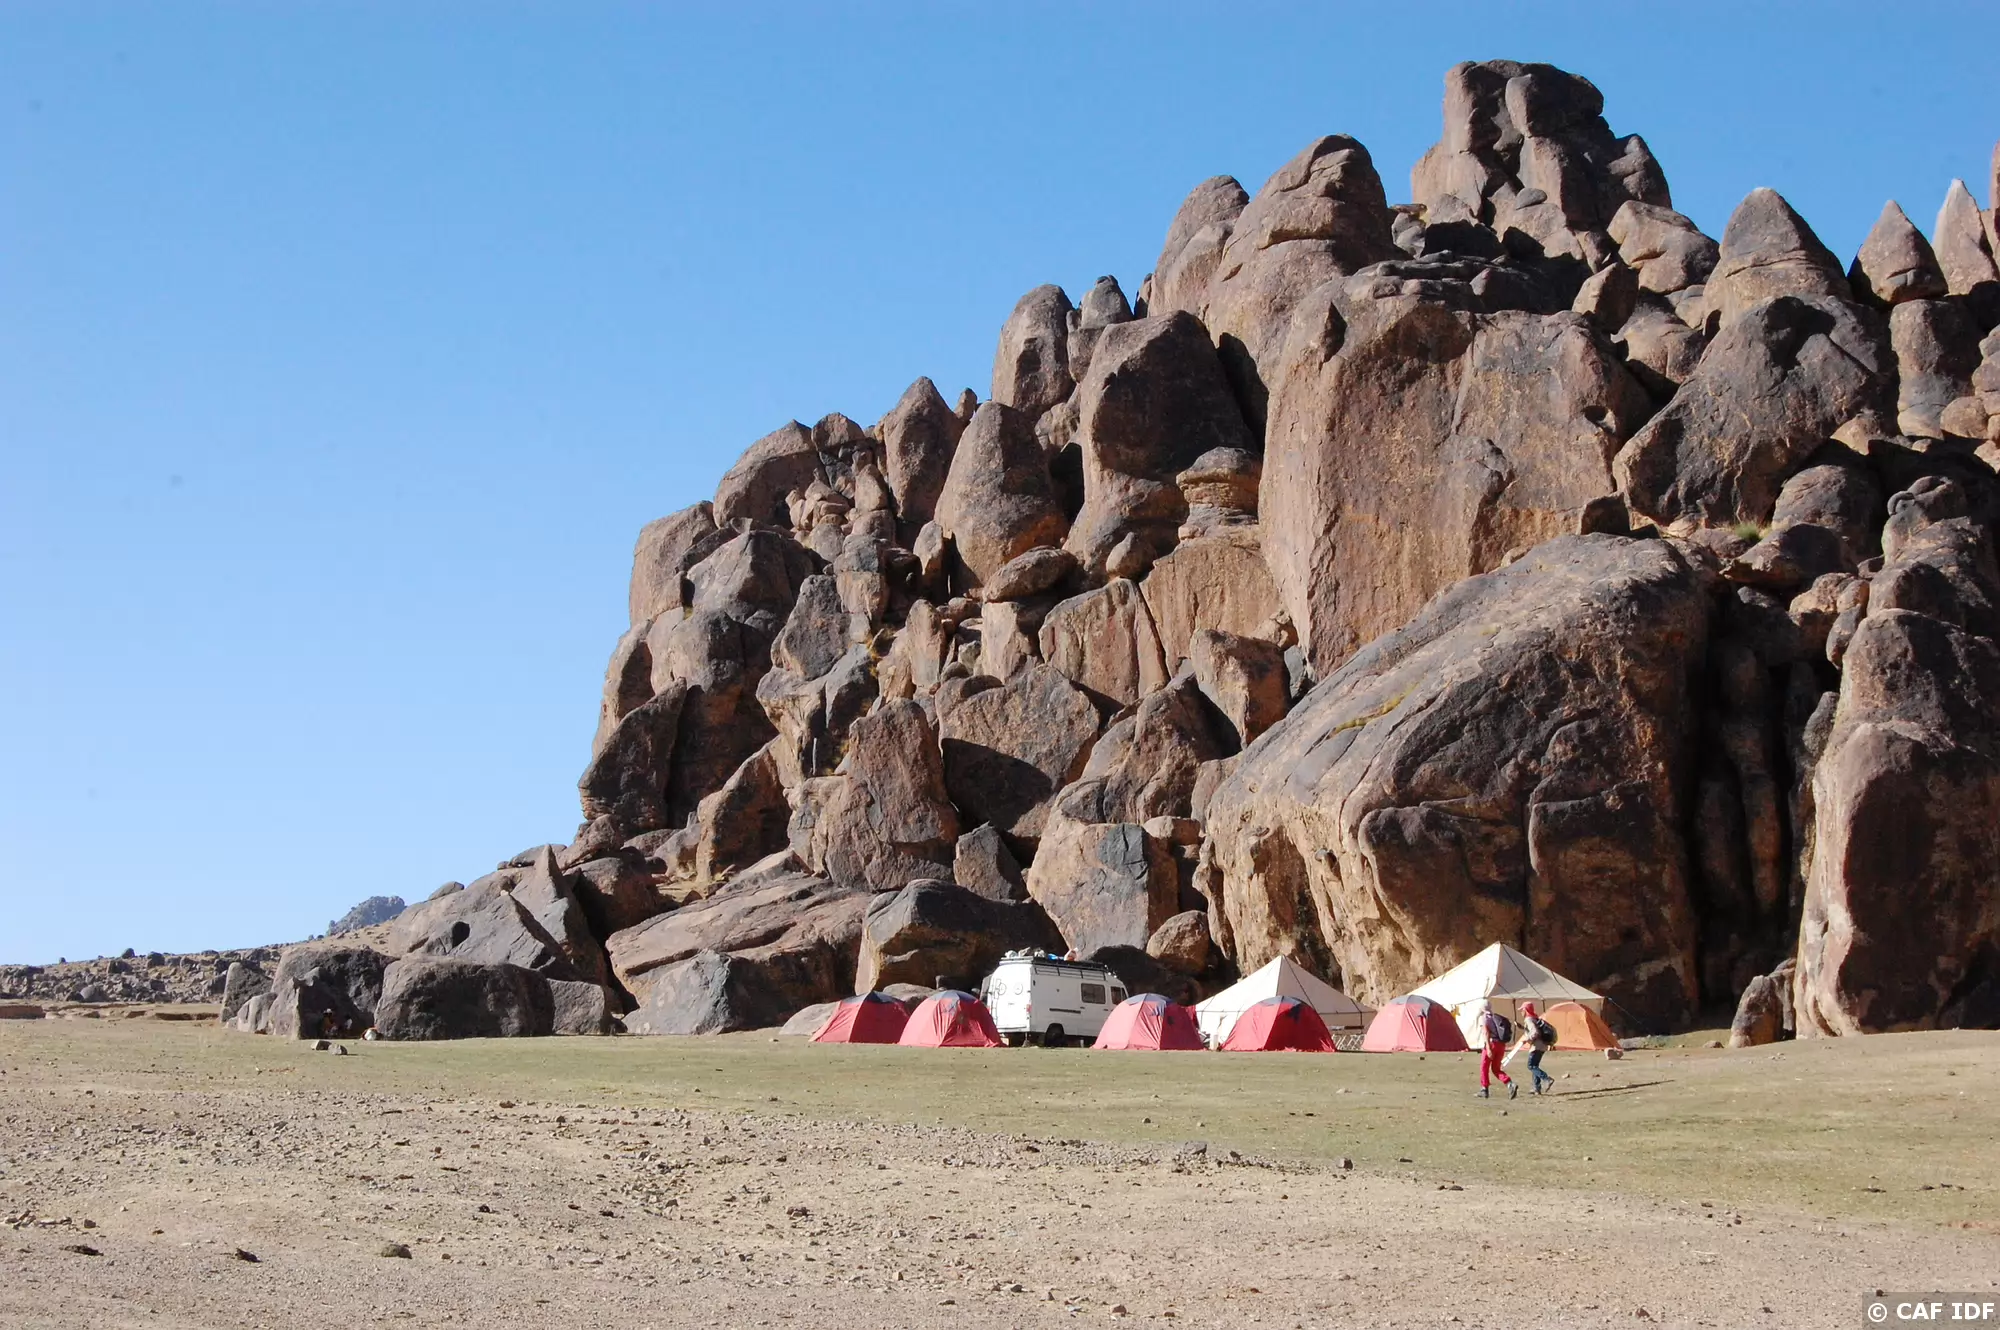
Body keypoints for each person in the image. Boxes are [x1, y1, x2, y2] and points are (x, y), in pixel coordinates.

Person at [1508, 1001, 1556, 1095]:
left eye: (1522, 1010)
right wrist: (1522, 1027)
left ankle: (1547, 1079)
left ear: (1526, 1010)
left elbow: (1535, 1032)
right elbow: (1533, 1029)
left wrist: (1526, 1039)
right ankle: (1536, 1088)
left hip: (1536, 1046)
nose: (1521, 1012)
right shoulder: (1534, 1018)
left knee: (1531, 1066)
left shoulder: (1528, 1019)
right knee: (1535, 1066)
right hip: (1542, 1046)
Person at [1473, 999, 1514, 1099]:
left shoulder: (1484, 1018)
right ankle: (1509, 1083)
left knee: (1484, 1067)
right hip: (1501, 1045)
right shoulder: (1495, 1017)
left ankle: (1484, 1089)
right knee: (1496, 1068)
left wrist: (1488, 1048)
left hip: (1491, 1044)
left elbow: (1486, 1033)